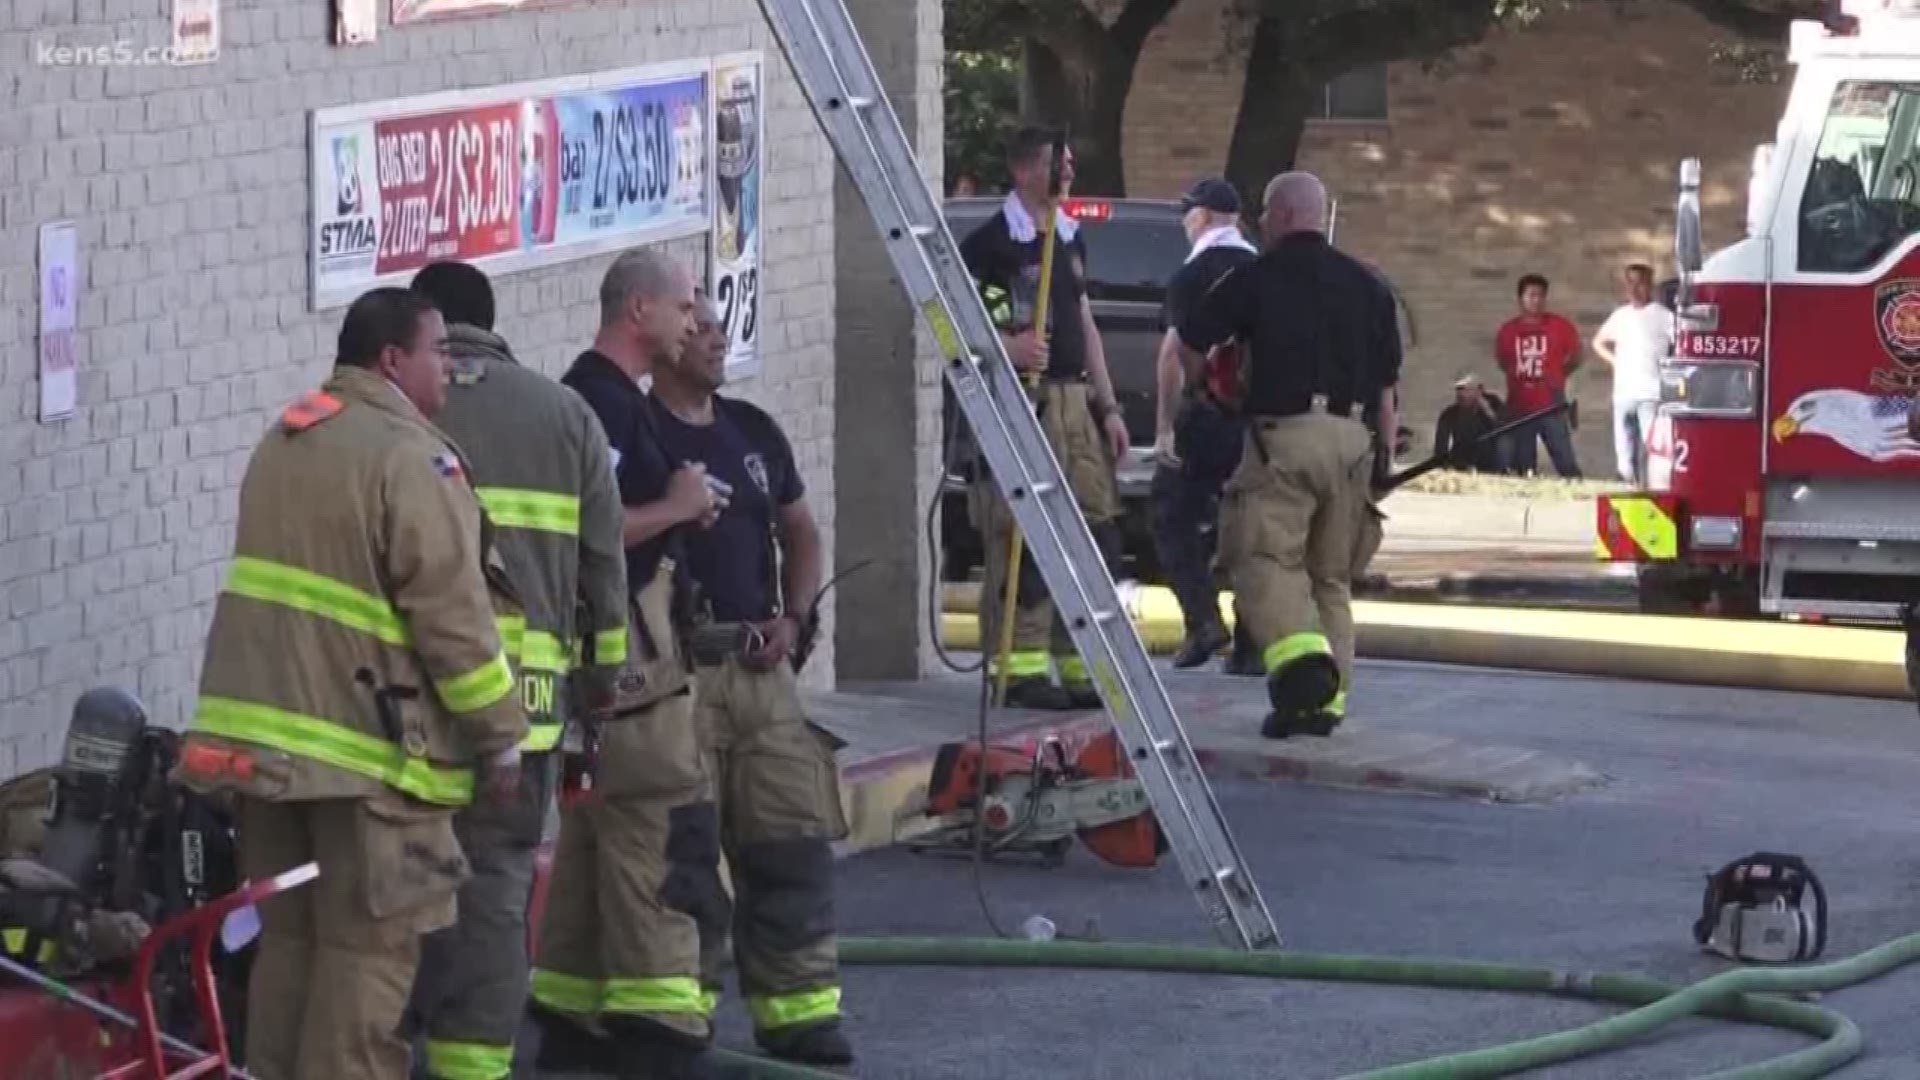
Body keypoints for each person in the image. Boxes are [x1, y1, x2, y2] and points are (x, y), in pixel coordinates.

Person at [174, 287, 529, 1080]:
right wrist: (501, 739)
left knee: (292, 948)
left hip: (265, 760)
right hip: (371, 763)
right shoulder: (412, 456)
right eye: (440, 350)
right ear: (392, 359)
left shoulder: (288, 436)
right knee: (372, 963)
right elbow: (453, 619)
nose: (451, 367)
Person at [402, 261, 629, 1080]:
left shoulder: (391, 408)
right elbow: (606, 581)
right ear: (494, 321)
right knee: (494, 892)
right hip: (525, 713)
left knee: (392, 880)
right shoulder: (567, 416)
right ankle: (472, 1067)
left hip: (406, 712)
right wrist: (596, 708)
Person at [528, 249, 729, 1080]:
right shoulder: (598, 406)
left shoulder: (622, 403)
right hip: (635, 669)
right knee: (659, 824)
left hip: (637, 654)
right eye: (685, 305)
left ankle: (575, 1010)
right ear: (639, 309)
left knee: (597, 834)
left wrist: (687, 507)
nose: (695, 319)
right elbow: (591, 533)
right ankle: (659, 1026)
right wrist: (678, 507)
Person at [647, 293, 853, 1067]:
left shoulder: (753, 430)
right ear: (664, 341)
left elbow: (799, 529)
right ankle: (678, 1019)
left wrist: (795, 620)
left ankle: (799, 1014)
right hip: (678, 676)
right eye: (694, 324)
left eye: (714, 323)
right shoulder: (636, 433)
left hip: (763, 672)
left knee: (790, 845)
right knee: (684, 856)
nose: (713, 335)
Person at [1176, 171, 1401, 740]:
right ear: (1319, 217)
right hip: (1354, 442)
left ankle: (1302, 666)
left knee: (1260, 556)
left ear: (1277, 217)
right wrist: (1383, 465)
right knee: (1331, 579)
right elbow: (1387, 390)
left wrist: (1204, 390)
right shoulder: (1370, 287)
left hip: (1286, 439)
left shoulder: (1256, 276)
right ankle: (1324, 707)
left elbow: (1192, 335)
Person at [960, 125, 1132, 710]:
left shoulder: (1069, 238)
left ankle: (1080, 663)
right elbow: (957, 328)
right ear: (1025, 171)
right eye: (1059, 166)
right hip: (1021, 405)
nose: (1069, 176)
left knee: (1095, 532)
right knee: (1024, 537)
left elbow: (1084, 324)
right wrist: (1006, 351)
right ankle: (1018, 667)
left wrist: (1107, 407)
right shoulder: (989, 246)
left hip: (1074, 404)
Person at [1150, 177, 1259, 671]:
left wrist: (1166, 427)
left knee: (1171, 515)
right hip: (1262, 427)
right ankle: (1253, 641)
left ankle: (1203, 622)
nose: (1184, 222)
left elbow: (1174, 356)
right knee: (1253, 530)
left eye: (1188, 213)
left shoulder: (1192, 277)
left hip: (1207, 419)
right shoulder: (1263, 270)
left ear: (1207, 217)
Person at [1494, 273, 1583, 477]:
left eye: (1540, 296)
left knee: (1564, 456)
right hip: (1521, 401)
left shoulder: (1559, 326)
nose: (1536, 300)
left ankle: (1576, 490)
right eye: (1531, 295)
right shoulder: (1508, 330)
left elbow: (1576, 355)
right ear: (1521, 299)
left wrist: (1560, 375)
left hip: (1550, 400)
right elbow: (1503, 360)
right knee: (1525, 460)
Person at [1593, 263, 1674, 483]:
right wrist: (1615, 361)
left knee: (1651, 448)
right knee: (1624, 450)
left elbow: (1681, 346)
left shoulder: (1663, 316)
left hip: (1651, 391)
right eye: (1630, 283)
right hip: (1623, 392)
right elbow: (1599, 342)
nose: (1635, 288)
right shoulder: (1620, 315)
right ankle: (1627, 488)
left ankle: (1652, 489)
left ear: (1650, 285)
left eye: (1640, 283)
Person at [1433, 374, 1505, 474]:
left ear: (1479, 391)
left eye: (1468, 390)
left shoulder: (1493, 403)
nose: (1463, 395)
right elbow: (1441, 444)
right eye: (1459, 390)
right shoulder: (1450, 413)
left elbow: (1504, 430)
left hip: (1490, 457)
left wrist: (1487, 411)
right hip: (1462, 457)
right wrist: (1444, 465)